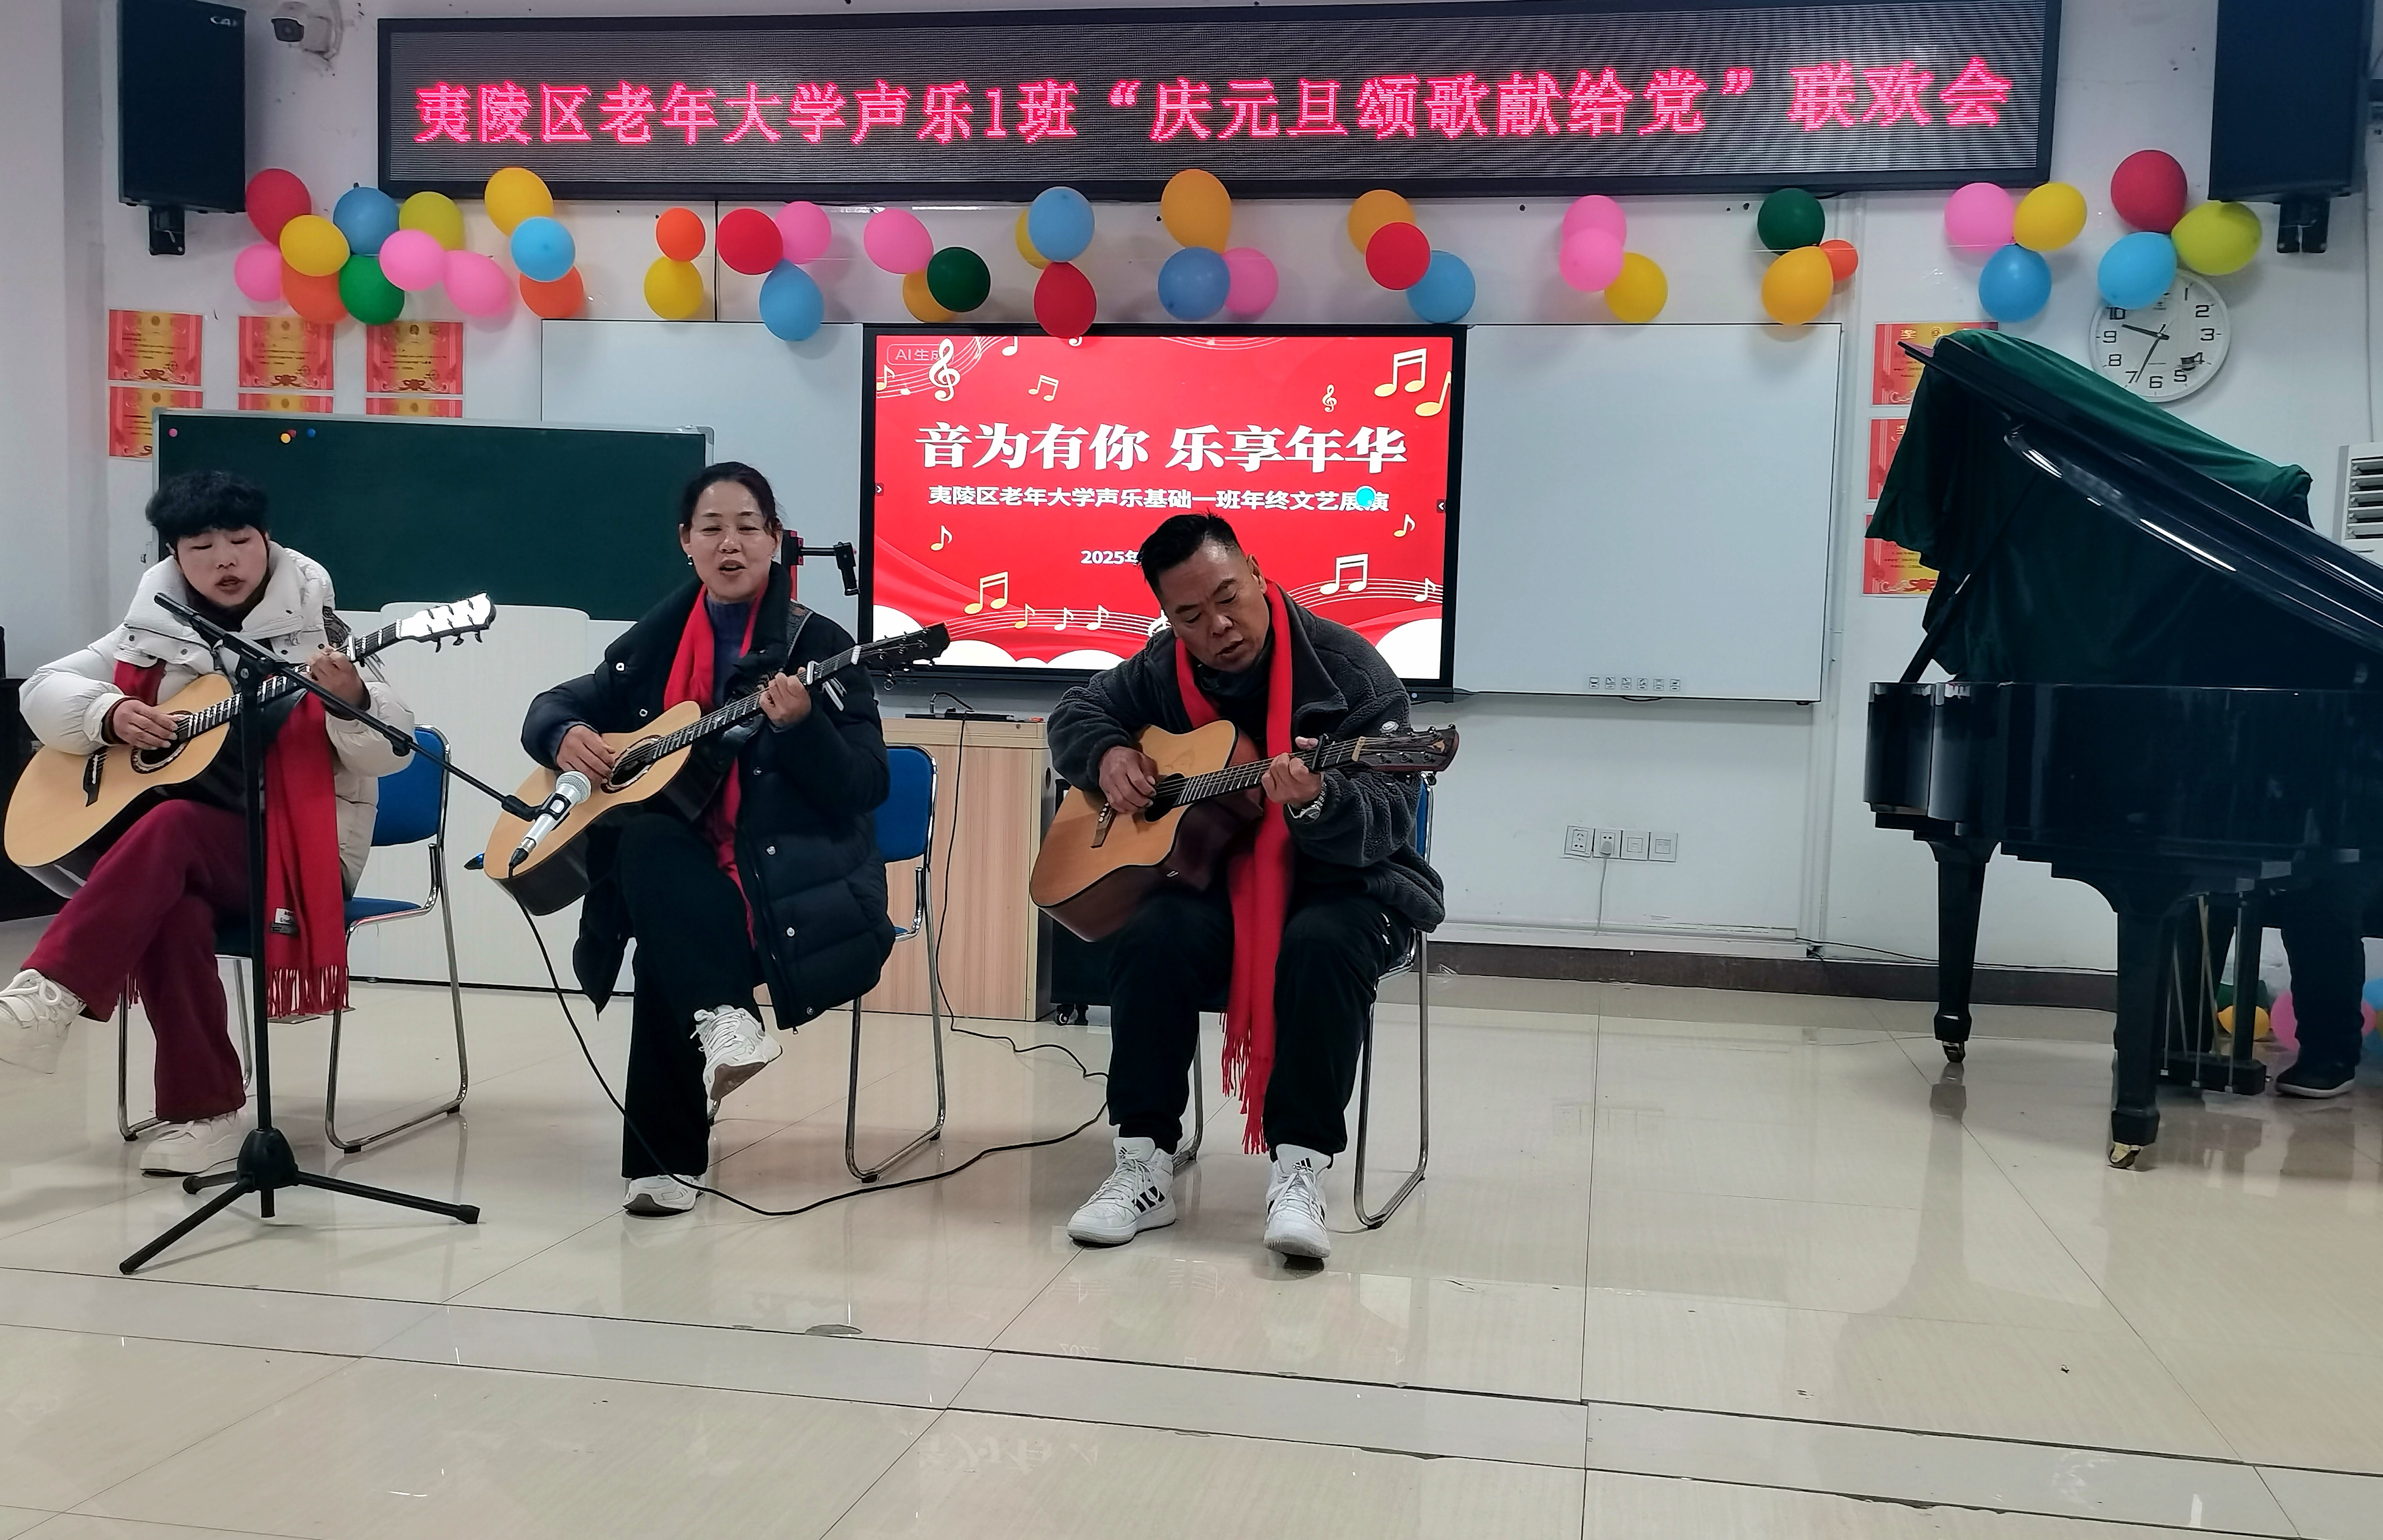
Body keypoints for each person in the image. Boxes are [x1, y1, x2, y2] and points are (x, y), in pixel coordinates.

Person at [1048, 514, 1444, 1260]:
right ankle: (1143, 1160)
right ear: (1169, 619)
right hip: (1218, 883)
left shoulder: (1350, 671)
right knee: (1152, 934)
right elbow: (1076, 711)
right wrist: (1105, 755)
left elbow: (1391, 814)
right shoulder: (1164, 667)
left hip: (1345, 882)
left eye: (1228, 597)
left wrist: (1318, 801)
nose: (1218, 627)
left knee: (1322, 942)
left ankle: (1301, 1168)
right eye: (1190, 615)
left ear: (1257, 573)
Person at [0, 471, 415, 1174]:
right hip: (180, 860)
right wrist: (107, 713)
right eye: (201, 547)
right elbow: (41, 689)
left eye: (240, 541)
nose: (225, 560)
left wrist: (353, 700)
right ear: (175, 555)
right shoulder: (149, 632)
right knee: (175, 902)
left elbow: (392, 752)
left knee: (172, 830)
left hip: (297, 854)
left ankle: (50, 991)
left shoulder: (323, 631)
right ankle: (209, 1116)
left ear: (267, 541)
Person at [520, 462, 894, 1217]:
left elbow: (865, 785)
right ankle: (723, 1020)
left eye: (748, 527)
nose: (731, 544)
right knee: (647, 846)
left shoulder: (819, 645)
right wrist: (563, 734)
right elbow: (553, 704)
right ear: (685, 541)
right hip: (683, 873)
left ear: (775, 539)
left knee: (664, 934)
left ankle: (666, 1157)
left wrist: (804, 728)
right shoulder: (651, 645)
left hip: (786, 884)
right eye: (713, 528)